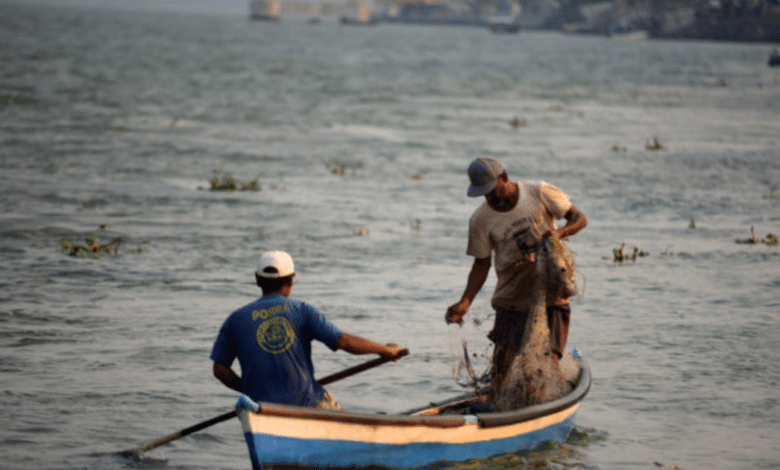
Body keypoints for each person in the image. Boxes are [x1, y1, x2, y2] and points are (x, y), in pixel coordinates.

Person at [445, 156, 587, 391]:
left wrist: (559, 234)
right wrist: (465, 302)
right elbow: (481, 265)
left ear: (504, 178)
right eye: (483, 193)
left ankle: (554, 404)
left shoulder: (538, 192)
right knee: (501, 366)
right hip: (513, 294)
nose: (489, 197)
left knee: (550, 359)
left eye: (491, 190)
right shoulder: (480, 220)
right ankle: (498, 408)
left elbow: (579, 219)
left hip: (552, 286)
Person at [211, 250, 406, 410]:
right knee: (327, 400)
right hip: (306, 403)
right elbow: (343, 342)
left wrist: (249, 390)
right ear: (291, 280)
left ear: (257, 279)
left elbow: (220, 370)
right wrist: (384, 350)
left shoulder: (235, 319)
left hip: (260, 406)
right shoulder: (303, 311)